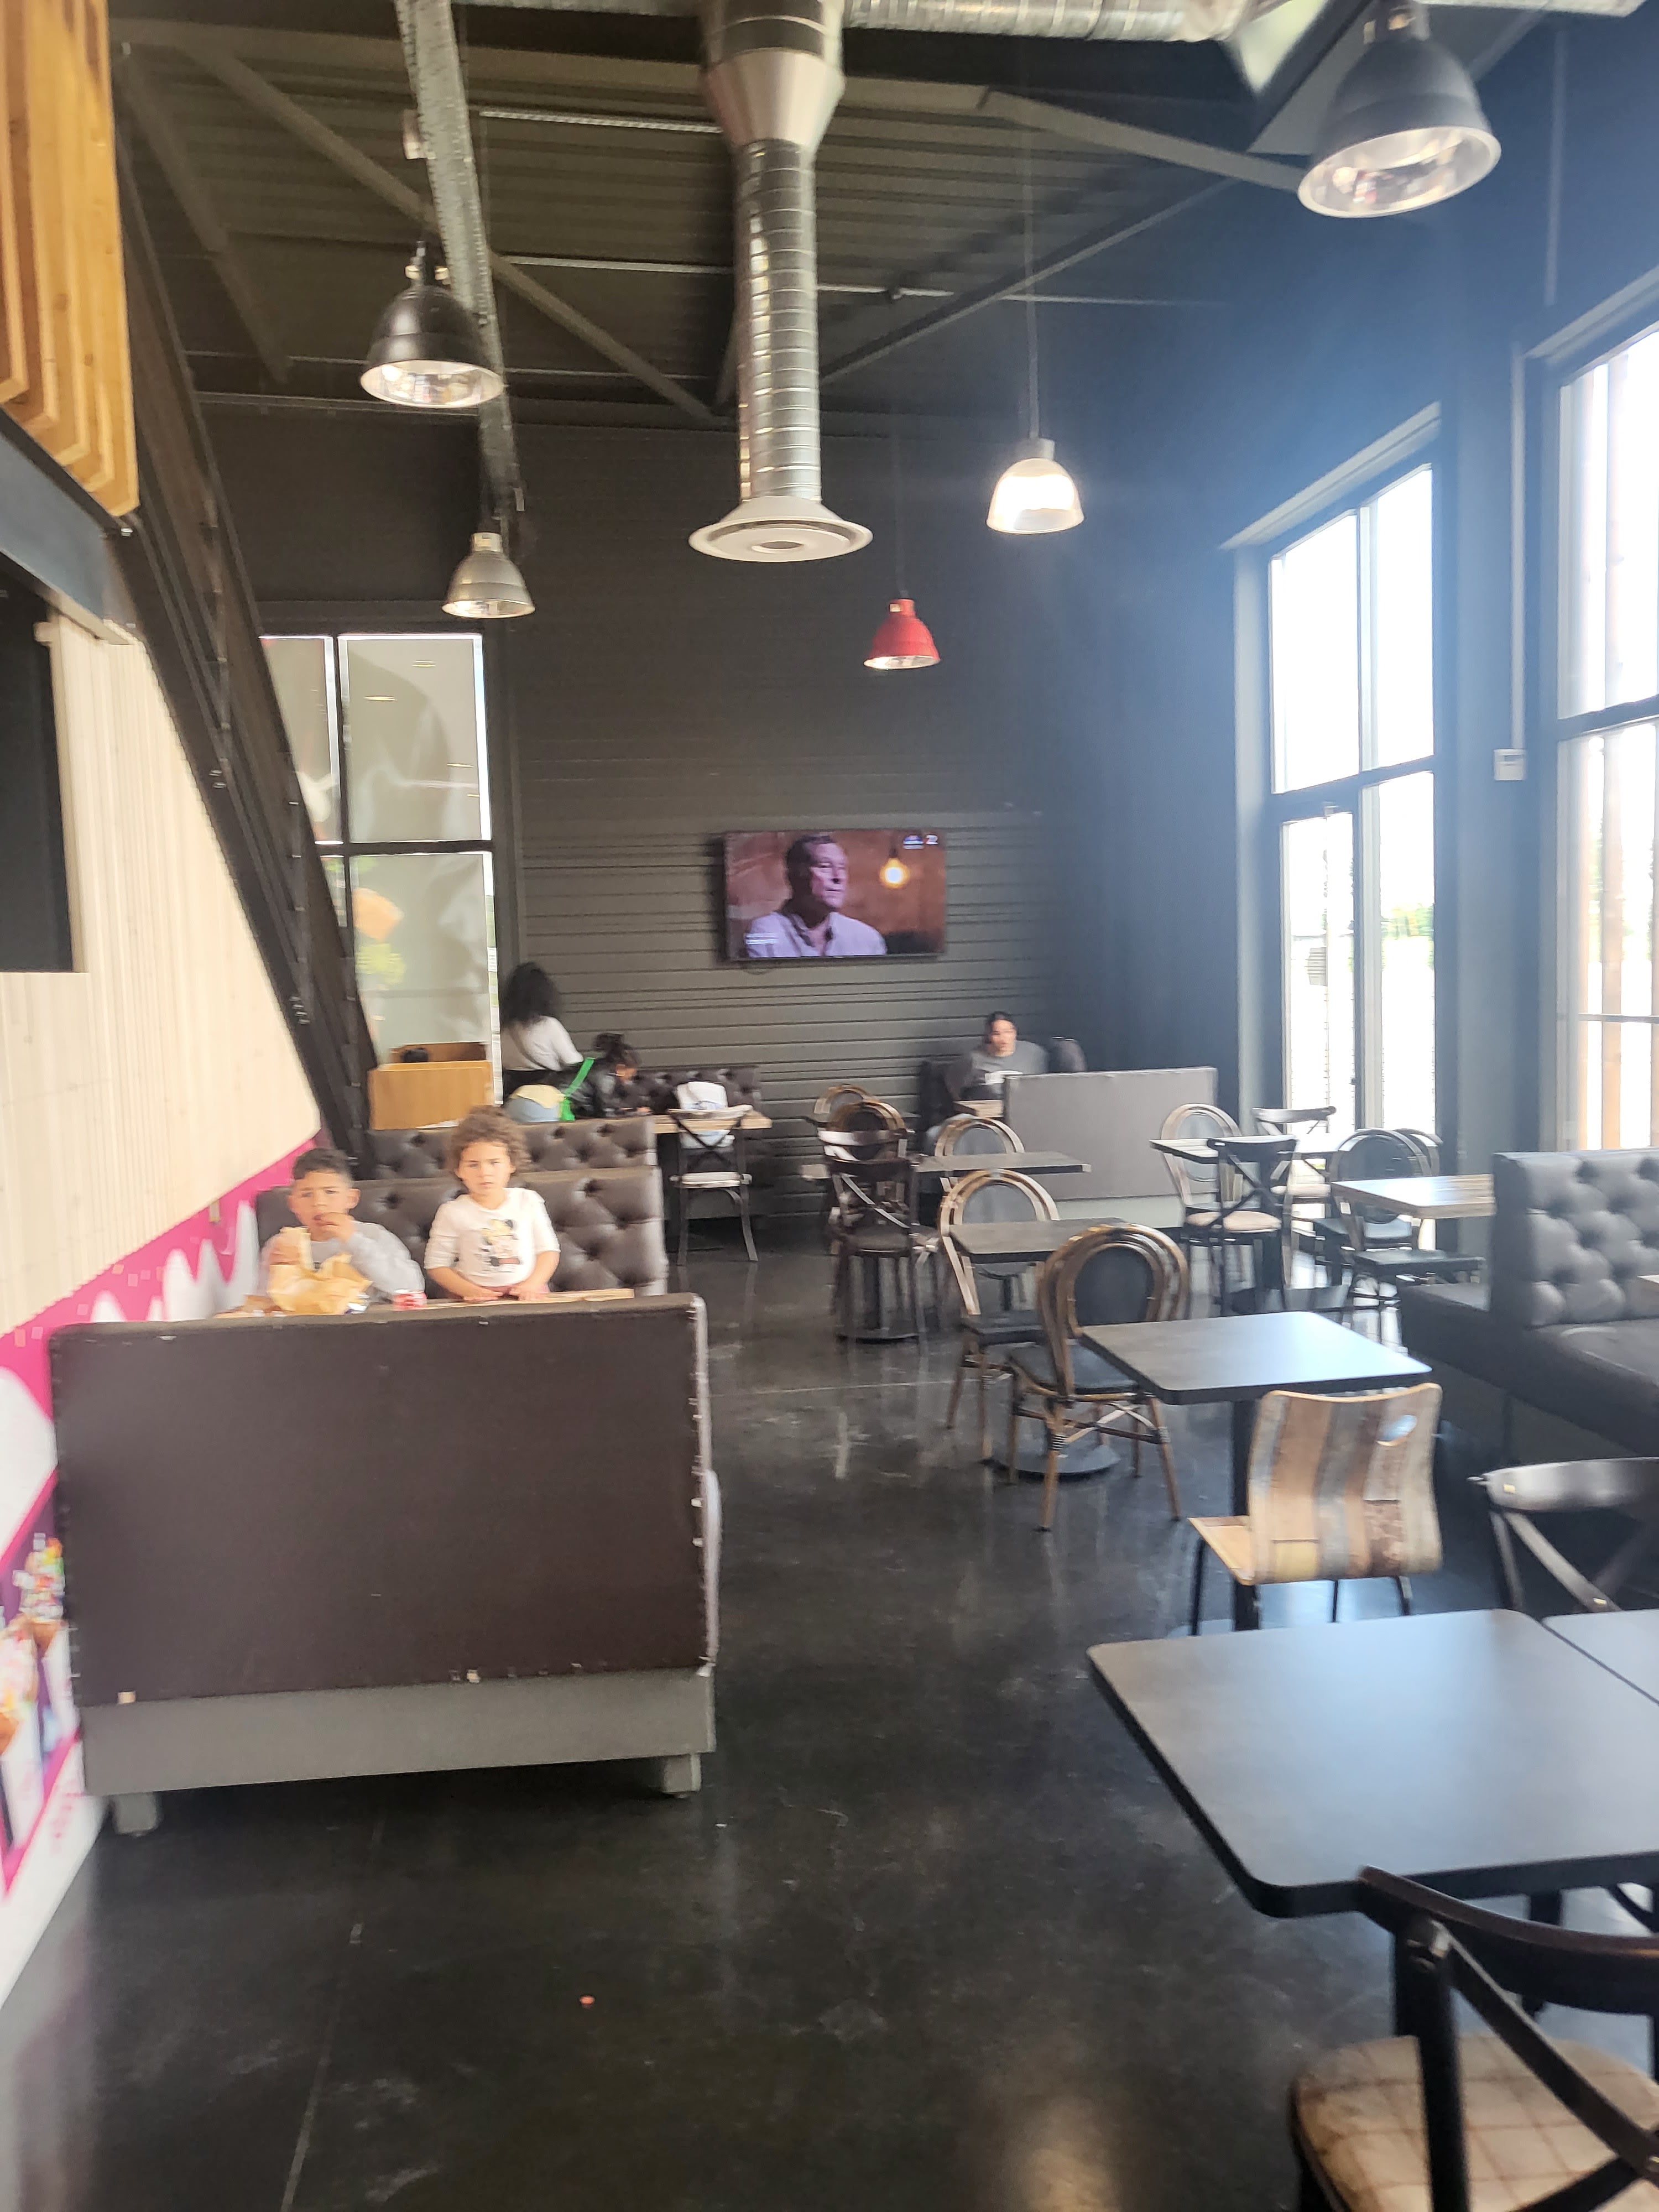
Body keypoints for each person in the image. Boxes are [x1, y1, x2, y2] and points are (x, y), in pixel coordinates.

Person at [425, 1107, 560, 1304]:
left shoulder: (528, 1201)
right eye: (473, 1164)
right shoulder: (452, 1212)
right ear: (458, 1170)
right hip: (473, 1299)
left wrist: (532, 1285)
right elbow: (436, 1265)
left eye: (494, 1163)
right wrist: (469, 1290)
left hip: (528, 1294)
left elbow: (549, 1251)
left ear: (511, 1165)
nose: (484, 1173)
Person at [259, 1146, 425, 1305]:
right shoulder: (281, 1244)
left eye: (330, 1192)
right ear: (293, 1204)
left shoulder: (373, 1235)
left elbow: (411, 1288)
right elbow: (262, 1301)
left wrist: (354, 1241)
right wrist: (279, 1273)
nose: (319, 1203)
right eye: (306, 1195)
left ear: (351, 1198)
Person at [744, 836, 887, 959]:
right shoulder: (766, 933)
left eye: (842, 868)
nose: (838, 877)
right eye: (825, 867)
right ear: (795, 876)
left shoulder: (866, 939)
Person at [499, 963, 579, 1097]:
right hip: (546, 1099)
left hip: (512, 1098)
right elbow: (573, 1062)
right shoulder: (549, 1025)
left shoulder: (504, 1029)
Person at [566, 1035, 649, 1120]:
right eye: (630, 1076)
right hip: (564, 1112)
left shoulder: (595, 1065)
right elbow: (606, 1113)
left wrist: (621, 1110)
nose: (628, 1080)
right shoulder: (606, 1078)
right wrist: (636, 1113)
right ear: (621, 1069)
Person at [967, 1012, 1049, 1088]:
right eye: (997, 1034)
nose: (1003, 1039)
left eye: (1008, 1032)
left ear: (1015, 1032)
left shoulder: (1036, 1054)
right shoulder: (973, 1059)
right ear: (989, 1036)